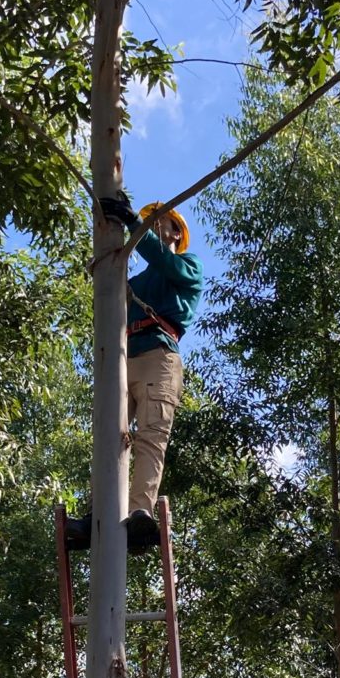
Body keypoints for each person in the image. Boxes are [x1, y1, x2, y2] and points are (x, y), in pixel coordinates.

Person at [67, 194, 203, 549]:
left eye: (161, 222)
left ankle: (141, 511)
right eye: (150, 220)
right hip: (123, 358)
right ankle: (97, 512)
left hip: (159, 357)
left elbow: (161, 260)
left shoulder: (187, 268)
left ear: (176, 234)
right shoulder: (137, 281)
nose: (154, 225)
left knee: (150, 438)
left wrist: (131, 222)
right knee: (108, 437)